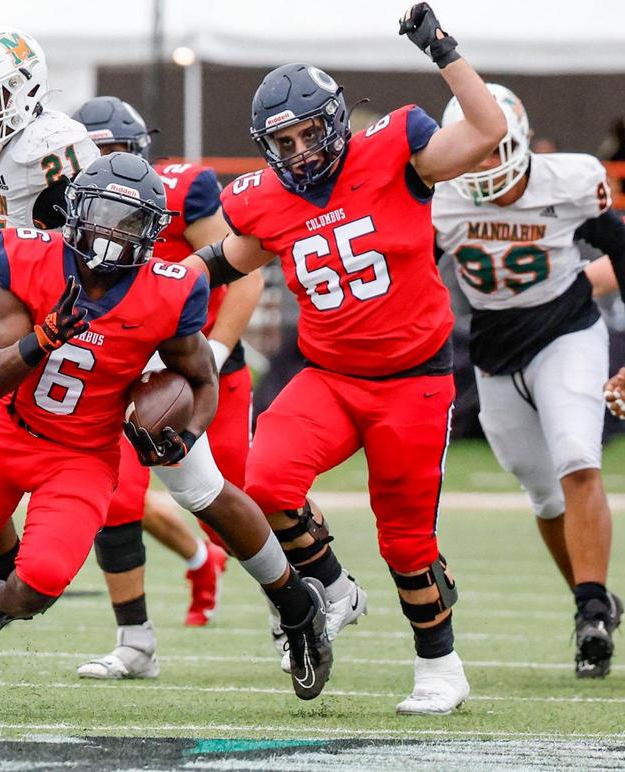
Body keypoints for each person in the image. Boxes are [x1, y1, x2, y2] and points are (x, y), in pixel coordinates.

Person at [0, 153, 334, 733]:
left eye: (128, 223)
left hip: (84, 453)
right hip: (9, 432)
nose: (110, 234)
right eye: (102, 216)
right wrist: (43, 337)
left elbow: (202, 377)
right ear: (75, 211)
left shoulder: (170, 287)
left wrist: (185, 433)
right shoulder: (29, 256)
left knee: (47, 579)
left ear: (151, 234)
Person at [189, 4, 508, 714]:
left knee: (405, 537)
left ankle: (440, 666)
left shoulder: (394, 148)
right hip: (329, 377)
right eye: (286, 139)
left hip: (415, 381)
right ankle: (333, 588)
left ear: (336, 120)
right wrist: (155, 279)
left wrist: (443, 50)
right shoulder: (266, 199)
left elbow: (488, 132)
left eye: (310, 132)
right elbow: (229, 259)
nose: (302, 150)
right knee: (264, 480)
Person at [67, 95, 264, 682]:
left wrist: (213, 357)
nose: (110, 169)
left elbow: (247, 275)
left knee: (249, 496)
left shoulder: (183, 191)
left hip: (204, 373)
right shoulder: (71, 208)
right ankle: (136, 641)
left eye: (117, 153)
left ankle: (298, 606)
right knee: (116, 501)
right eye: (94, 156)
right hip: (126, 377)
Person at [433, 84, 624, 677]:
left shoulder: (568, 180)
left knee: (577, 458)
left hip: (568, 332)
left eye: (495, 149)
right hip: (495, 353)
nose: (485, 162)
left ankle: (591, 611)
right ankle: (594, 600)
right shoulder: (438, 200)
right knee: (544, 495)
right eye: (474, 149)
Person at [0, 24, 100, 613]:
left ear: (26, 89)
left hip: (87, 326)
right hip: (22, 326)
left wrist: (4, 263)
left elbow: (95, 249)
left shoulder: (55, 148)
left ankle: (299, 593)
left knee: (196, 481)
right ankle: (5, 577)